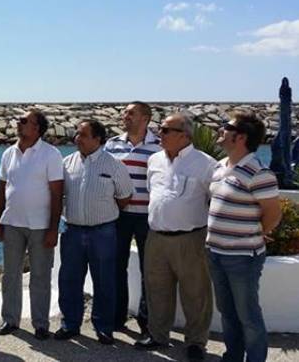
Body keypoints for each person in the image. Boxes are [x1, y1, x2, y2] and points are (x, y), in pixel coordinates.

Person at [135, 113, 217, 362]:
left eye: (166, 130)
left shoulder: (206, 164)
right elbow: (154, 192)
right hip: (156, 236)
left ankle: (195, 343)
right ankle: (158, 335)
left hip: (190, 238)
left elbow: (213, 201)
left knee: (196, 294)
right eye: (160, 129)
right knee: (157, 289)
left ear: (185, 135)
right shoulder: (154, 160)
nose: (160, 133)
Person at [207, 112, 281, 362]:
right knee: (227, 312)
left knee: (248, 315)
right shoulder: (220, 168)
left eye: (224, 127)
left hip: (242, 258)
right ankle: (233, 357)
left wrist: (258, 232)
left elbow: (273, 213)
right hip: (215, 253)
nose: (219, 130)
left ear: (240, 137)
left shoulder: (259, 173)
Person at [57, 120, 134, 345]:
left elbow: (124, 198)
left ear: (97, 139)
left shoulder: (114, 165)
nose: (76, 139)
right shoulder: (66, 163)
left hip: (103, 232)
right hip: (72, 231)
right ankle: (70, 324)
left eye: (82, 135)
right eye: (76, 134)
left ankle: (103, 327)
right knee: (69, 280)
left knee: (104, 281)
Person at [0, 110, 63, 340]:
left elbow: (57, 193)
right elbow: (2, 189)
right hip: (12, 222)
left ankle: (40, 323)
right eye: (19, 121)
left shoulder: (51, 154)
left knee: (40, 276)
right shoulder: (8, 153)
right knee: (10, 275)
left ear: (37, 128)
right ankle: (10, 319)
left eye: (24, 121)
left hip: (41, 226)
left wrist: (53, 229)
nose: (18, 124)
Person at [104, 101, 162, 335]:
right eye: (124, 113)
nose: (124, 116)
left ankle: (146, 322)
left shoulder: (159, 146)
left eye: (131, 113)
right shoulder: (112, 144)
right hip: (118, 216)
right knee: (116, 267)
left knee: (150, 269)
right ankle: (117, 317)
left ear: (146, 118)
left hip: (148, 218)